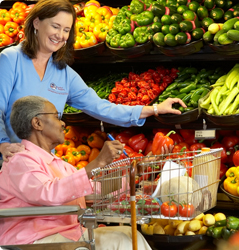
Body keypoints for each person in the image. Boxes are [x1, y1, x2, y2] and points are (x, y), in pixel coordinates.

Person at [0, 0, 186, 163]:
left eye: (66, 30)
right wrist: (3, 145)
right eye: (55, 26)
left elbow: (101, 107)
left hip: (44, 165)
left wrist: (154, 109)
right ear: (37, 23)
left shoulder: (63, 73)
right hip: (10, 162)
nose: (60, 35)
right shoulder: (11, 59)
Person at [0, 95, 152, 250]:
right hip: (32, 240)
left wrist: (133, 176)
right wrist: (97, 163)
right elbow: (49, 193)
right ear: (37, 123)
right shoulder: (20, 160)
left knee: (130, 234)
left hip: (66, 233)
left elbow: (92, 190)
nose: (63, 123)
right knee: (122, 240)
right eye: (57, 117)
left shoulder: (57, 163)